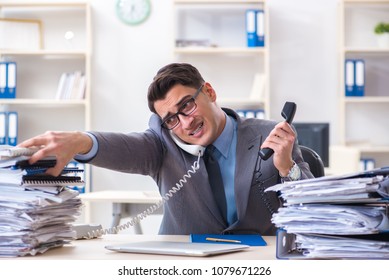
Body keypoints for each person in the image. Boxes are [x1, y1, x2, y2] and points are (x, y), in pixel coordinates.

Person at [19, 63, 313, 235]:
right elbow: (127, 147)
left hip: (260, 268)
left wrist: (287, 168)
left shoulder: (269, 134)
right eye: (171, 118)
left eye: (187, 105)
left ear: (209, 92)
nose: (185, 123)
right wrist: (81, 141)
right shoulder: (164, 141)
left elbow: (314, 207)